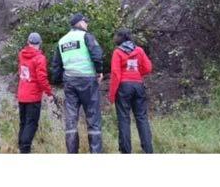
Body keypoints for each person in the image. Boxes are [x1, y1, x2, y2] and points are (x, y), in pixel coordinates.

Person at [51, 13, 104, 153]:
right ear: (80, 23)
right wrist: (99, 72)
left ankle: (72, 153)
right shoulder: (86, 36)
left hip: (70, 82)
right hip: (88, 81)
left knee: (71, 119)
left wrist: (57, 81)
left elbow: (56, 65)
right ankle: (96, 153)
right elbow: (97, 55)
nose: (87, 24)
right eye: (85, 22)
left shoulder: (62, 41)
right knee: (93, 118)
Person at [108, 29, 153, 153]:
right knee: (142, 118)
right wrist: (137, 74)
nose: (115, 37)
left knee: (124, 119)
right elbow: (148, 68)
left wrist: (112, 95)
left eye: (116, 35)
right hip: (138, 85)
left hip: (123, 87)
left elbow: (116, 74)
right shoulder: (139, 50)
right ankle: (148, 150)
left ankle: (126, 151)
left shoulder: (117, 52)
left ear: (120, 37)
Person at [16, 32, 53, 153]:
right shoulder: (39, 58)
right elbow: (41, 78)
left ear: (28, 42)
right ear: (39, 43)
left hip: (22, 94)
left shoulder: (21, 54)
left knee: (23, 123)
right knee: (31, 124)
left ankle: (21, 146)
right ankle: (25, 149)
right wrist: (49, 92)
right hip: (33, 97)